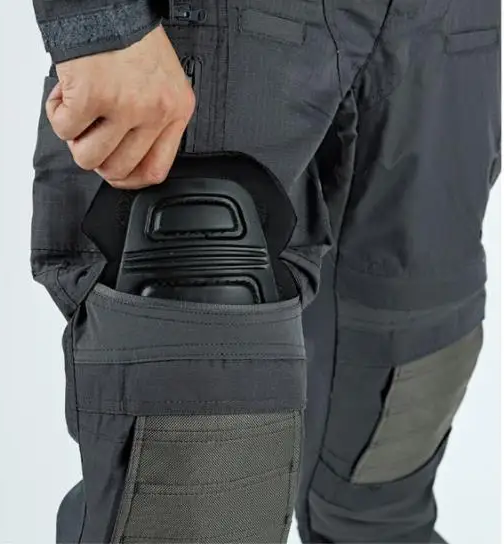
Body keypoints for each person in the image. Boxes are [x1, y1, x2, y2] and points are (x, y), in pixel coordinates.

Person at [30, 0, 500, 542]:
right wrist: (101, 24)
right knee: (187, 504)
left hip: (448, 33)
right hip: (227, 24)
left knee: (385, 472)